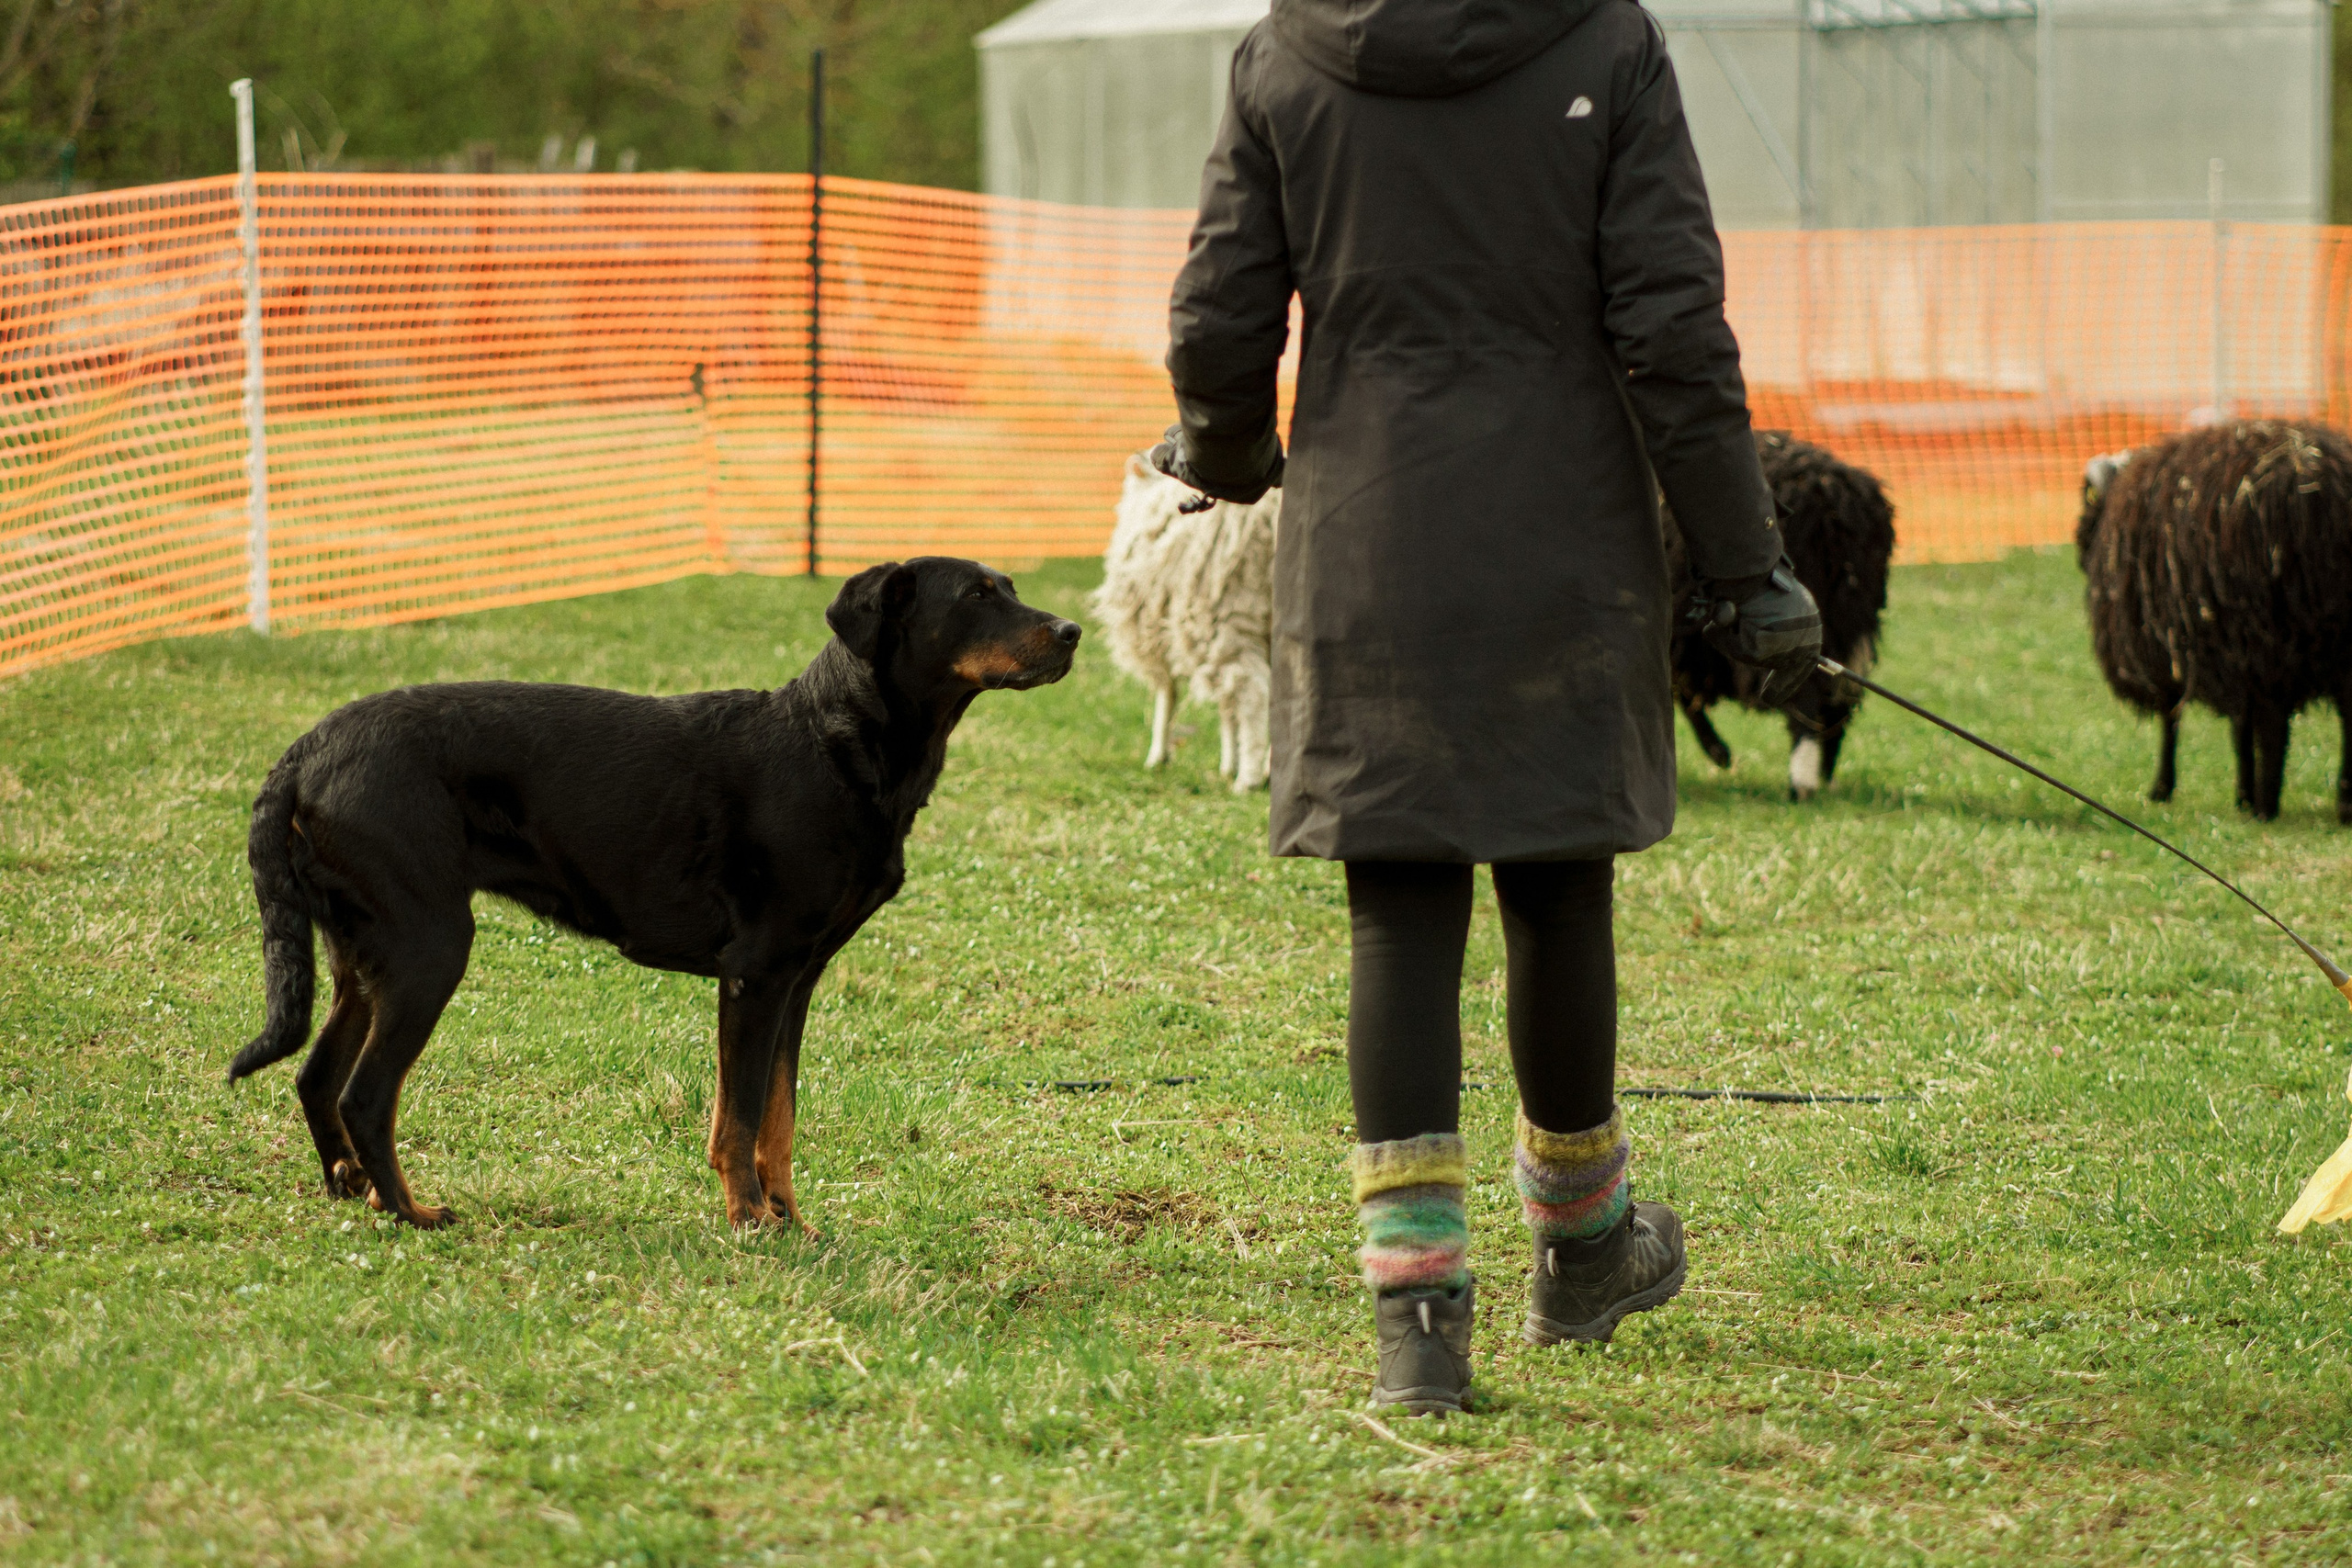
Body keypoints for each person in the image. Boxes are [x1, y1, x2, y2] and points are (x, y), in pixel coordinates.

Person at [1152, 0, 1823, 1415]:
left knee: (1397, 909)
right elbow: (1672, 329)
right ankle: (1584, 1251)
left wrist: (1223, 450)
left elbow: (1220, 311)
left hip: (1367, 539)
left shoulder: (1285, 55)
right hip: (1564, 538)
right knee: (1559, 891)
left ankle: (1419, 1329)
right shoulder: (1607, 45)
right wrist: (1746, 564)